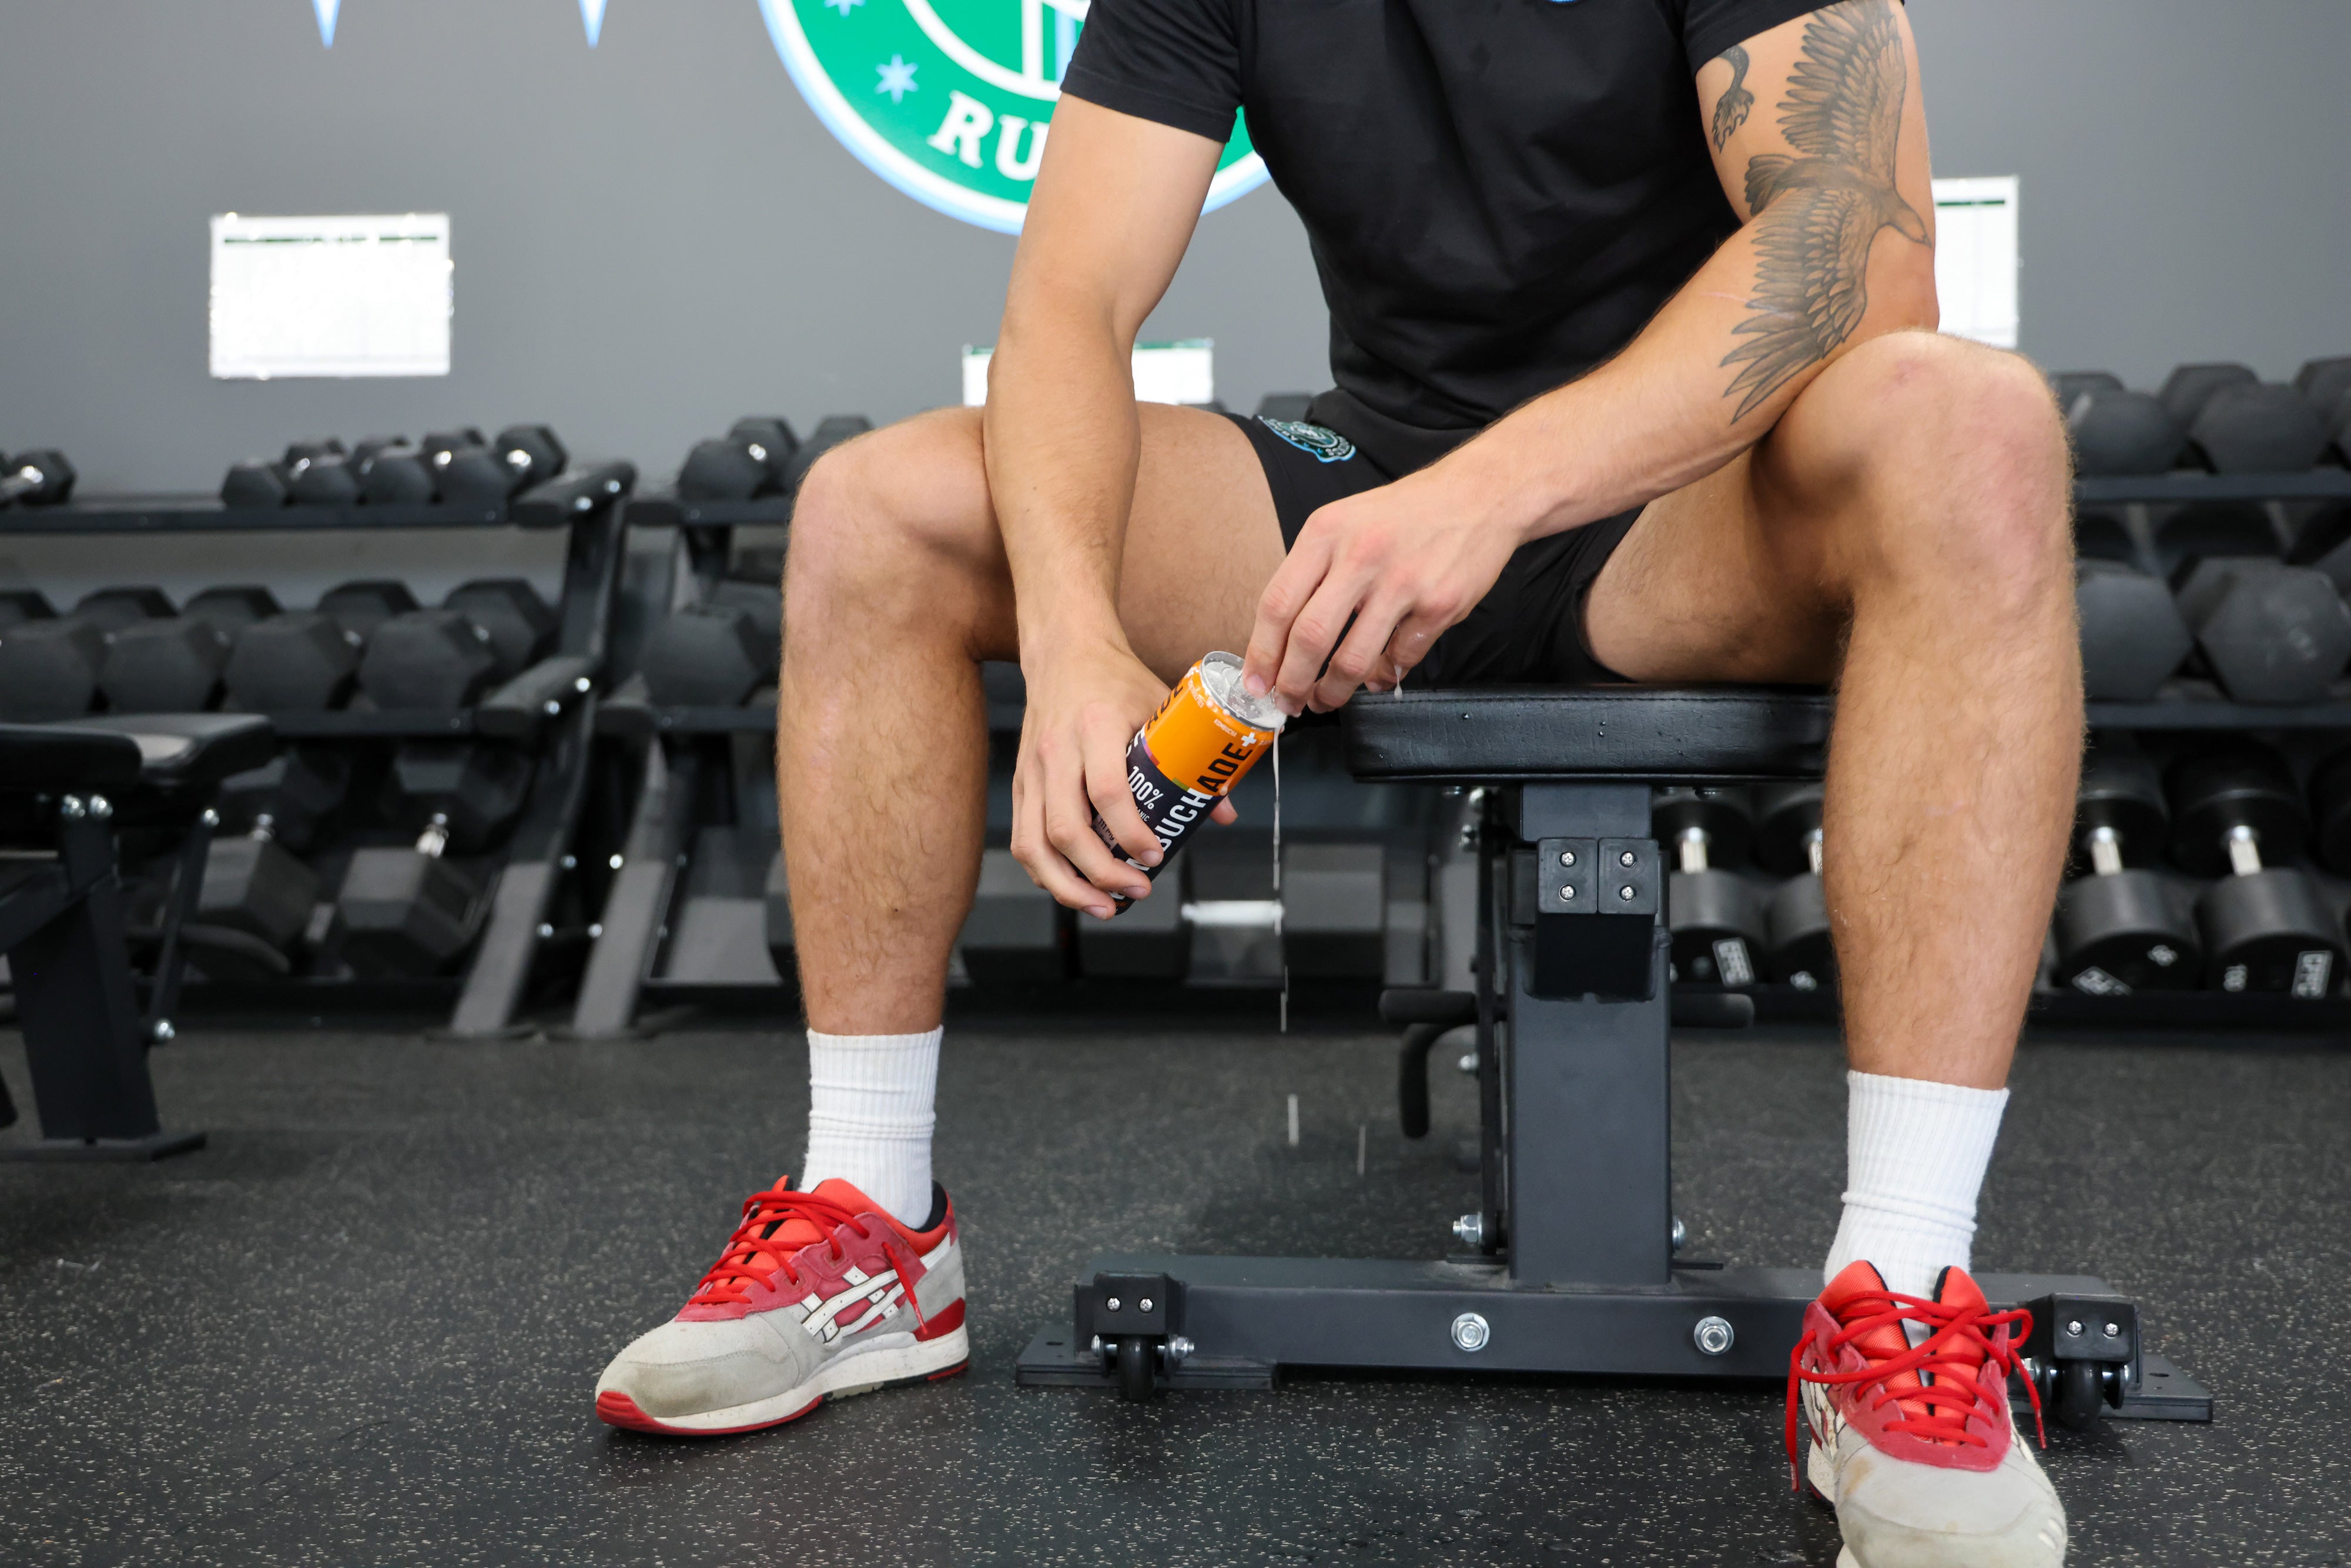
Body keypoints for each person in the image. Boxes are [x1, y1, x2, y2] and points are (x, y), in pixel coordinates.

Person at [599, 1, 2078, 1559]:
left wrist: (1493, 495)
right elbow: (1071, 301)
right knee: (871, 510)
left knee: (1972, 421)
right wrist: (1075, 630)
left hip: (1694, 494)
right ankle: (875, 1215)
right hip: (1380, 480)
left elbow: (1859, 249)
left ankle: (1903, 1293)